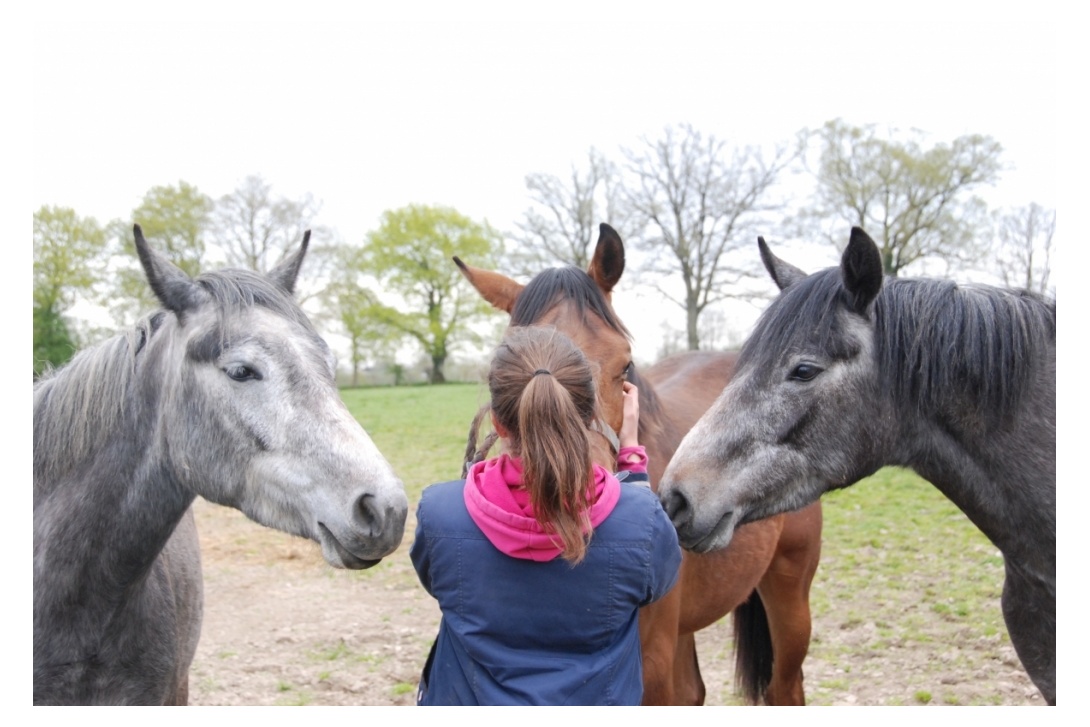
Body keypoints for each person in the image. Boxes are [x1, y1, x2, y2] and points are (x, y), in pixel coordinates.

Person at [410, 325, 682, 705]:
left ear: (497, 423)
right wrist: (632, 462)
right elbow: (656, 582)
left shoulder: (439, 513)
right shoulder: (642, 522)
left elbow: (435, 579)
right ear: (589, 418)